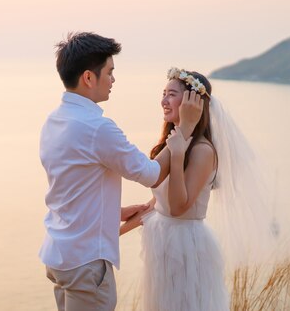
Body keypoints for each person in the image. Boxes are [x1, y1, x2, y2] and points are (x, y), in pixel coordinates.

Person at [39, 34, 203, 311]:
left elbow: (69, 191)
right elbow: (151, 174)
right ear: (89, 78)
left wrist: (115, 211)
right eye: (110, 72)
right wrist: (185, 129)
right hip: (85, 264)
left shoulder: (54, 120)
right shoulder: (97, 128)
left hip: (59, 256)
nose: (113, 80)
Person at [136, 68, 229, 311]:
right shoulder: (173, 141)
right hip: (163, 241)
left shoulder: (202, 150)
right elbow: (158, 200)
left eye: (171, 94)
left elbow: (178, 207)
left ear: (192, 102)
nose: (163, 101)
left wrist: (177, 155)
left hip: (185, 246)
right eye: (163, 93)